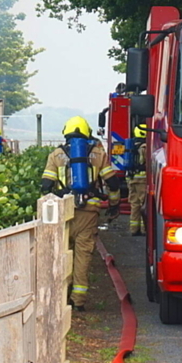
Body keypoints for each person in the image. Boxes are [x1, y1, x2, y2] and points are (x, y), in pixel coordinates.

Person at [41, 116, 120, 312]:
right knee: (83, 255)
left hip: (63, 211)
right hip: (89, 212)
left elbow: (45, 185)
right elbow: (113, 182)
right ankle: (78, 300)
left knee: (61, 254)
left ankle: (61, 297)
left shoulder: (56, 155)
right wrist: (113, 205)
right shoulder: (98, 154)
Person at [127, 124, 148, 237]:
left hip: (131, 179)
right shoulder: (145, 147)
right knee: (144, 204)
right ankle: (145, 229)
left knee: (134, 205)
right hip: (142, 180)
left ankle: (134, 229)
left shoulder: (132, 146)